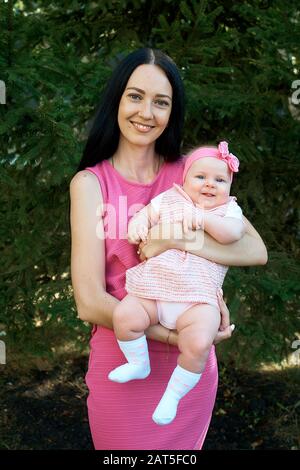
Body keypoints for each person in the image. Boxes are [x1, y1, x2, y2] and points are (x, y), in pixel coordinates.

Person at [70, 48, 267, 450]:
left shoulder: (192, 172)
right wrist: (174, 337)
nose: (147, 112)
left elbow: (253, 248)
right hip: (124, 354)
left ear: (172, 112)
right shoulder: (91, 184)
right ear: (117, 101)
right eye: (135, 96)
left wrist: (176, 238)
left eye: (161, 102)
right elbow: (89, 301)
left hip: (189, 370)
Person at [108, 141, 245, 425]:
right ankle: (138, 363)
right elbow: (147, 212)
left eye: (220, 180)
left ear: (230, 187)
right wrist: (139, 223)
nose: (210, 185)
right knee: (125, 315)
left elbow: (232, 234)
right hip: (154, 290)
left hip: (197, 299)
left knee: (197, 343)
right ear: (185, 180)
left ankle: (172, 395)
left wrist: (202, 217)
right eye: (201, 177)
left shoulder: (228, 211)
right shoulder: (170, 198)